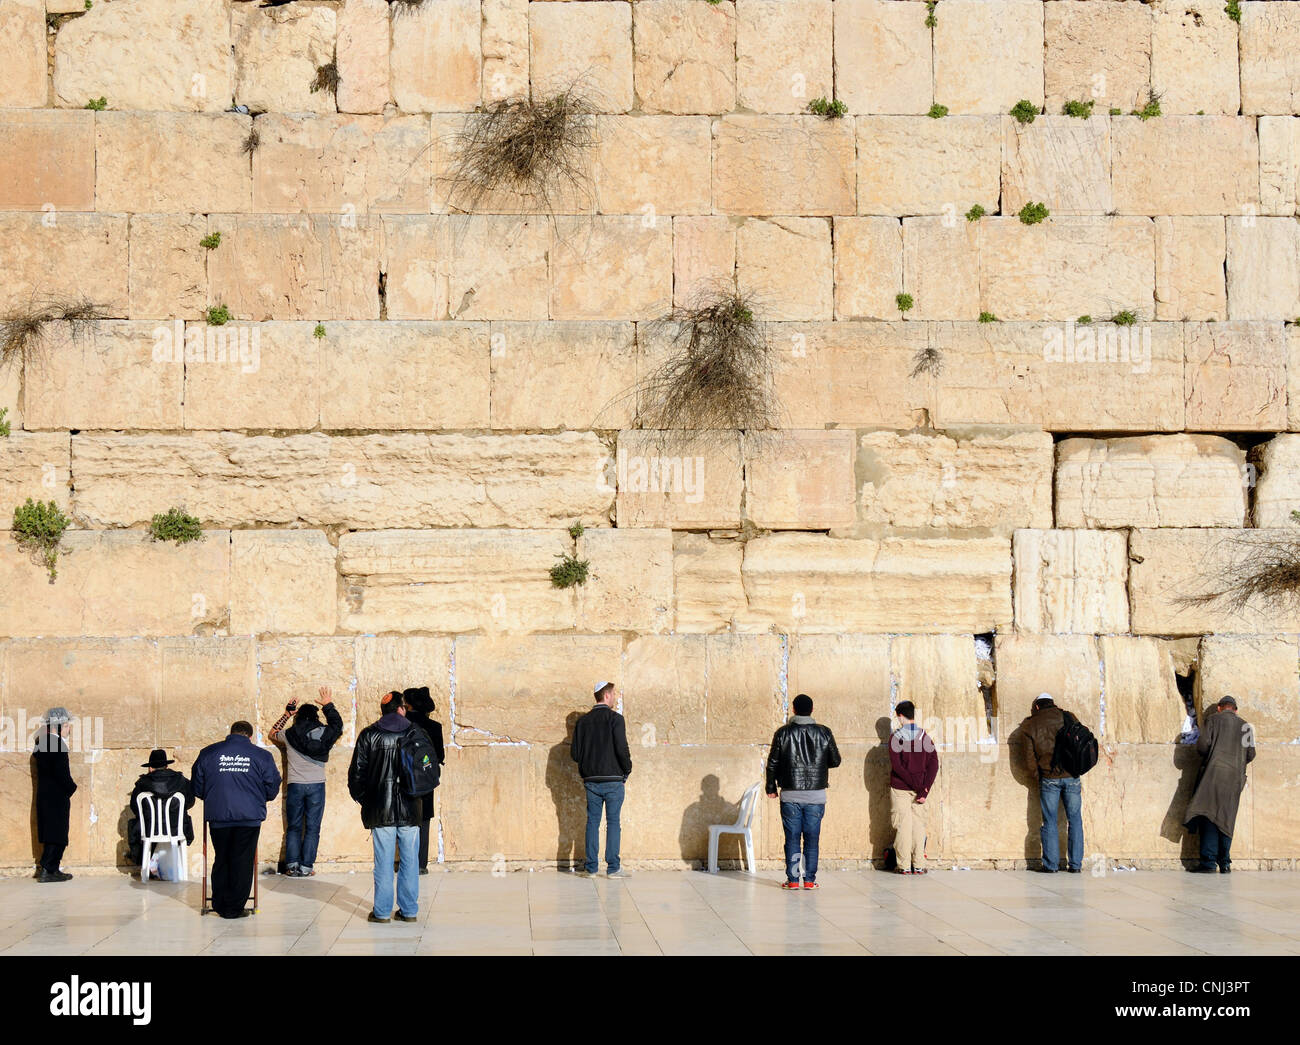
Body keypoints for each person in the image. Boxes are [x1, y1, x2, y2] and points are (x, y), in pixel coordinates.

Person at [191, 721, 282, 918]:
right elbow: (272, 786)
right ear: (250, 736)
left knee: (222, 858)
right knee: (242, 860)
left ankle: (220, 903)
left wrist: (213, 797)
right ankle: (234, 907)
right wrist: (260, 797)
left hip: (219, 816)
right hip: (249, 817)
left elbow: (197, 786)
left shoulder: (209, 753)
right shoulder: (261, 756)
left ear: (230, 733)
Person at [349, 691, 423, 923]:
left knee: (383, 862)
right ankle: (409, 910)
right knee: (411, 861)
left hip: (381, 809)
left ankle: (381, 912)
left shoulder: (369, 734)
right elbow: (427, 771)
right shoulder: (415, 731)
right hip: (410, 808)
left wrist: (366, 800)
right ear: (401, 708)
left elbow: (356, 775)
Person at [765, 693, 842, 890]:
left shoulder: (783, 733)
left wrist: (771, 787)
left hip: (790, 794)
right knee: (812, 839)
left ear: (793, 709)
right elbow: (835, 760)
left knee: (791, 838)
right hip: (816, 796)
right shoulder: (824, 732)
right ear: (812, 710)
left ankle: (792, 880)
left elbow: (772, 763)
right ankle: (809, 880)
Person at [269, 685, 344, 878]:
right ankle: (306, 867)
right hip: (317, 786)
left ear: (298, 717)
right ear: (316, 717)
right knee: (312, 827)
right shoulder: (325, 732)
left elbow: (272, 732)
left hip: (295, 786)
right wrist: (328, 705)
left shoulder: (289, 734)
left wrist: (286, 713)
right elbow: (338, 727)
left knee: (293, 827)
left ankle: (292, 866)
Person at [1184, 696, 1256, 874]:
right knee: (1227, 818)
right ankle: (1224, 862)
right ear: (1235, 710)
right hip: (1235, 779)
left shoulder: (1212, 720)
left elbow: (1202, 746)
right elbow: (1251, 754)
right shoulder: (1246, 726)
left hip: (1213, 775)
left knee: (1209, 816)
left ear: (1219, 708)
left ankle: (1208, 863)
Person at [570, 681, 633, 879]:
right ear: (606, 696)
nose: (615, 698)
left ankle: (591, 868)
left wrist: (588, 766)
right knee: (613, 822)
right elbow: (622, 749)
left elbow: (575, 754)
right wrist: (627, 770)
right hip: (613, 779)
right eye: (613, 694)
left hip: (591, 780)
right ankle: (613, 868)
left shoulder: (583, 722)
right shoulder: (616, 719)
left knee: (592, 822)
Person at [1020, 693, 1083, 873]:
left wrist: (1037, 776)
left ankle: (1051, 865)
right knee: (1075, 820)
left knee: (1049, 821)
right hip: (1072, 775)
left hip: (1048, 778)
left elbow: (1029, 759)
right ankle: (1076, 865)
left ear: (1037, 707)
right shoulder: (1069, 717)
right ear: (1053, 704)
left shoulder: (1031, 725)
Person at [127, 749, 195, 880]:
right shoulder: (181, 780)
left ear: (151, 768)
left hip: (149, 830)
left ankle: (146, 866)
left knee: (135, 823)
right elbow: (190, 802)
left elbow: (135, 807)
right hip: (176, 829)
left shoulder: (142, 783)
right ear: (166, 766)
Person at [889, 701, 939, 875]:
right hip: (920, 790)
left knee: (903, 826)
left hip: (901, 788)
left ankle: (903, 866)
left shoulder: (896, 737)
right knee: (918, 825)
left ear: (901, 716)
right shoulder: (924, 736)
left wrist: (917, 786)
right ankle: (918, 864)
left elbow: (897, 767)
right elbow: (934, 763)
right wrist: (924, 789)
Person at [403, 686, 446, 875]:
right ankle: (421, 864)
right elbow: (441, 755)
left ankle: (406, 861)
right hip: (427, 777)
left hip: (404, 776)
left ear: (408, 705)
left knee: (405, 820)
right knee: (424, 819)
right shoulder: (435, 727)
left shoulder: (402, 724)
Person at [33, 707, 78, 884]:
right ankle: (48, 869)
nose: (69, 729)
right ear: (57, 727)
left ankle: (50, 869)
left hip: (45, 796)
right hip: (57, 797)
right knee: (57, 833)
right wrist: (71, 788)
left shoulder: (42, 742)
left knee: (51, 832)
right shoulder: (57, 745)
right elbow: (62, 773)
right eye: (66, 726)